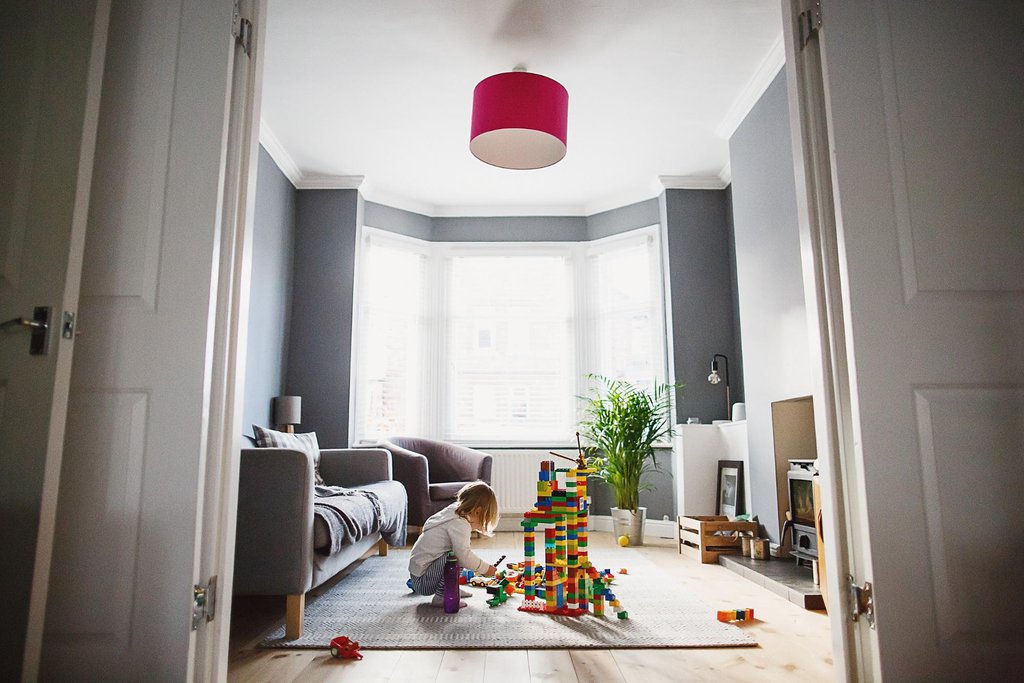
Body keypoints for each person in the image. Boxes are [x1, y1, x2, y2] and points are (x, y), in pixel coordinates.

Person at [408, 481, 500, 608]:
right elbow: (464, 556)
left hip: (419, 575)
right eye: (485, 519)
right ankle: (442, 596)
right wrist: (485, 569)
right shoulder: (459, 524)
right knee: (457, 557)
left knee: (456, 555)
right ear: (477, 512)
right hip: (423, 581)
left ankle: (452, 589)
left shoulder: (453, 513)